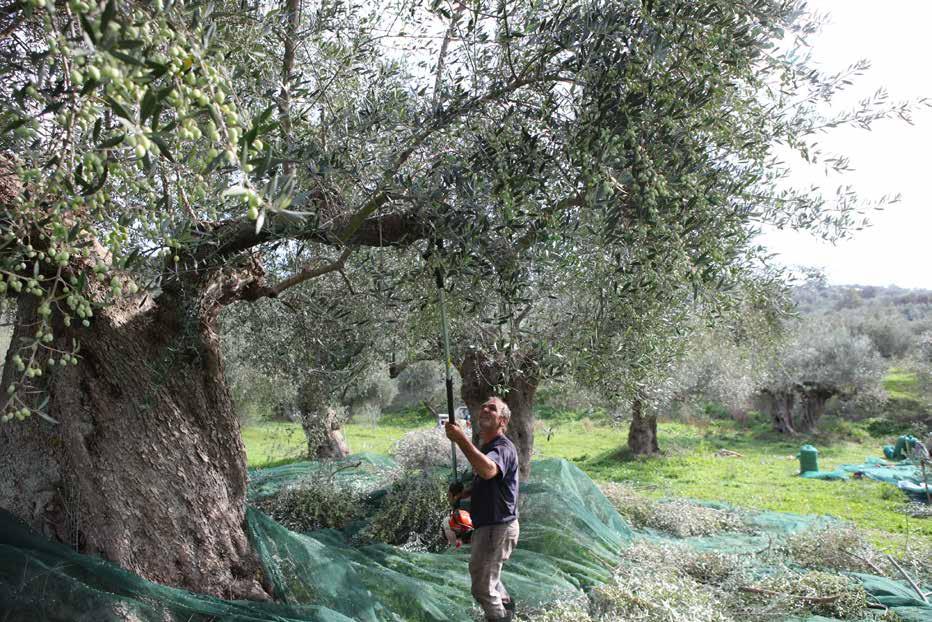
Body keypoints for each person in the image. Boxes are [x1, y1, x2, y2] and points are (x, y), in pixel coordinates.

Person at [445, 397, 520, 622]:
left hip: (497, 527)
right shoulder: (488, 447)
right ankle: (507, 610)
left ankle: (500, 618)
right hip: (491, 525)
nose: (485, 409)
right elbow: (491, 482)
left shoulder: (502, 448)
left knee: (482, 588)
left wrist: (460, 439)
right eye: (484, 406)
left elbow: (488, 471)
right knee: (489, 577)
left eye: (492, 408)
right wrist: (465, 493)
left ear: (502, 421)